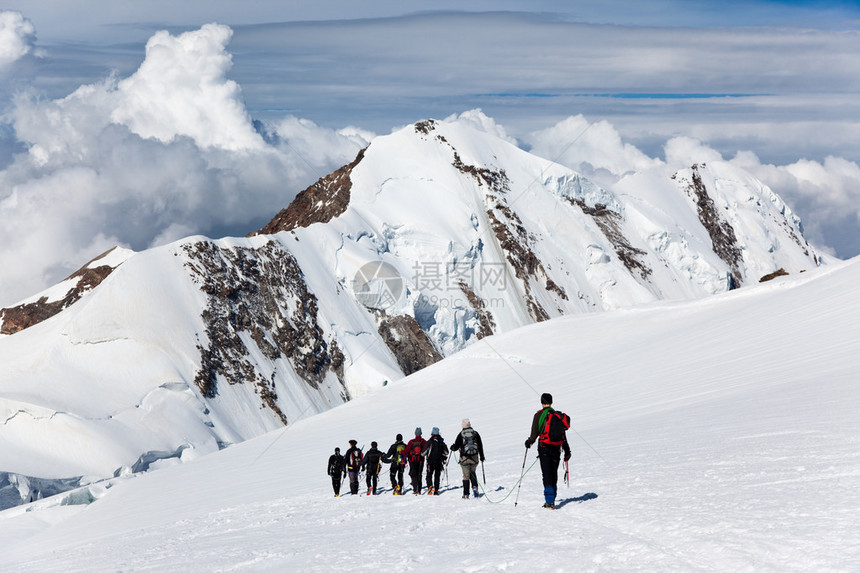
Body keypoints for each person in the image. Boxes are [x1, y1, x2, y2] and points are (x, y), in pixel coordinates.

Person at [524, 393, 571, 509]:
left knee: (546, 474)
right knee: (553, 474)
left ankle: (549, 501)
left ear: (542, 402)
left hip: (544, 447)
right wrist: (567, 451)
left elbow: (534, 434)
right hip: (557, 448)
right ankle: (552, 499)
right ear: (551, 402)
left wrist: (529, 442)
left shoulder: (539, 415)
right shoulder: (558, 416)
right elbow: (563, 436)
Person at [450, 418, 485, 499]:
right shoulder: (475, 434)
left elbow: (455, 447)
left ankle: (466, 494)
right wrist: (482, 456)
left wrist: (452, 447)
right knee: (473, 473)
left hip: (464, 458)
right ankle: (475, 489)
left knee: (466, 476)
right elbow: (480, 446)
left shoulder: (461, 434)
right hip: (475, 458)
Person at [422, 427, 449, 495]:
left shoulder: (429, 442)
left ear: (432, 433)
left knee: (429, 475)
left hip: (430, 462)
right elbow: (446, 452)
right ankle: (436, 490)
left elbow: (423, 453)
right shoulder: (441, 442)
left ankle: (430, 487)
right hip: (438, 462)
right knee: (437, 476)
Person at [404, 427, 427, 494]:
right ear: (421, 433)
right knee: (419, 474)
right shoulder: (423, 442)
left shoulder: (411, 442)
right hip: (421, 460)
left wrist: (401, 452)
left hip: (412, 460)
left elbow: (406, 451)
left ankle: (415, 488)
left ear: (415, 433)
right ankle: (419, 490)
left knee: (414, 474)